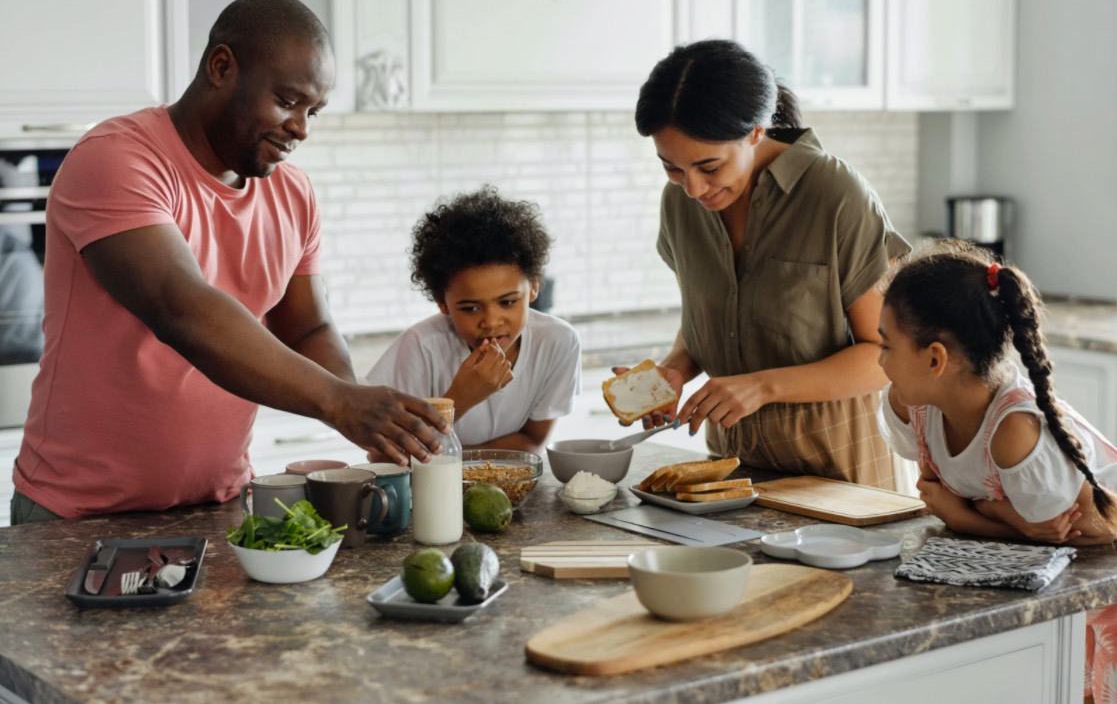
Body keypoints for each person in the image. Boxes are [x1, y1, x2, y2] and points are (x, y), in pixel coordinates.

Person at [11, 0, 448, 526]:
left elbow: (308, 326)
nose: (302, 128)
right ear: (221, 66)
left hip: (219, 505)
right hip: (79, 514)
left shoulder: (293, 193)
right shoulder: (116, 159)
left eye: (314, 111)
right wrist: (339, 402)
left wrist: (364, 416)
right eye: (288, 101)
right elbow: (182, 309)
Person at [629, 39, 911, 488]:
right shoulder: (679, 205)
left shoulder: (835, 195)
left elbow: (886, 357)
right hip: (733, 477)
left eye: (709, 167)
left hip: (842, 478)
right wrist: (675, 371)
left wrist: (761, 387)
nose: (694, 189)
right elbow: (712, 320)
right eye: (673, 169)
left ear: (756, 132)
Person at [875, 240, 1117, 703]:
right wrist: (1000, 515)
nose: (879, 360)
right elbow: (1031, 527)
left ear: (934, 359)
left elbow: (1082, 532)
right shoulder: (913, 405)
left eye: (887, 345)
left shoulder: (1014, 432)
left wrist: (968, 515)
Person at [366, 186, 581, 453]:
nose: (491, 322)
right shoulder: (420, 347)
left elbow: (532, 441)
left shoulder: (558, 342)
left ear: (534, 287)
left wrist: (453, 459)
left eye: (507, 302)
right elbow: (383, 455)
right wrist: (460, 398)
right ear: (442, 302)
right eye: (470, 308)